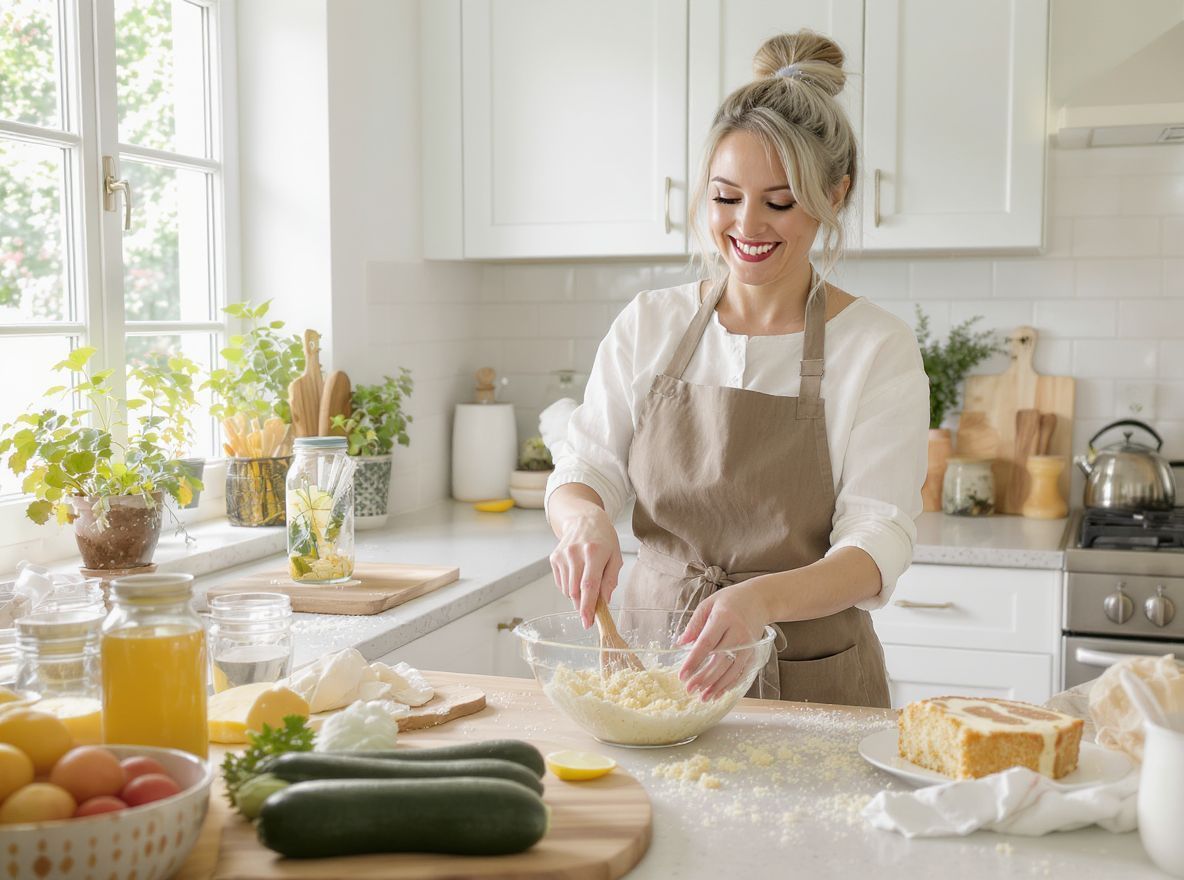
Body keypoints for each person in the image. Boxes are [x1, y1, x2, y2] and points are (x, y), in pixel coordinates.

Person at [543, 30, 929, 708]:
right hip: (652, 664)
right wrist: (584, 522)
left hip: (813, 679)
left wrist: (763, 600)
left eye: (780, 202)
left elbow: (879, 541)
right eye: (725, 197)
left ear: (834, 196)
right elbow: (585, 471)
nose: (748, 226)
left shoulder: (876, 347)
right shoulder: (650, 323)